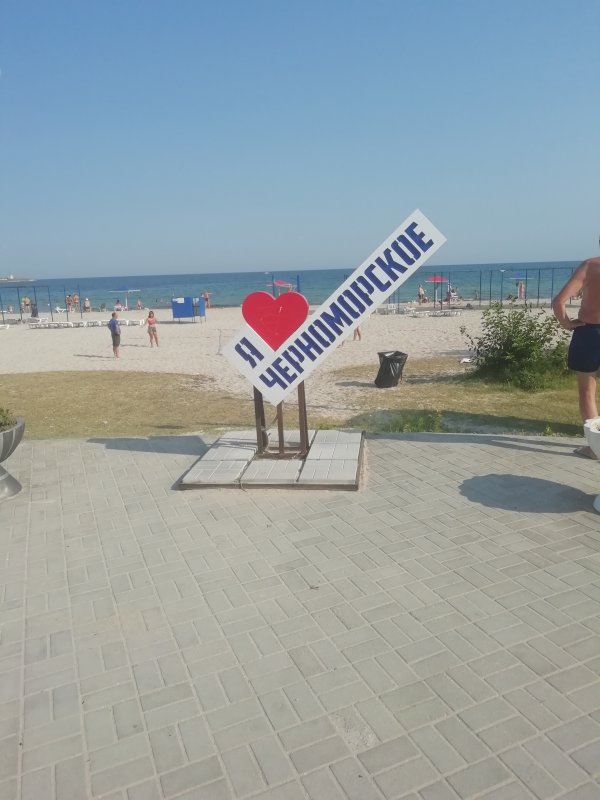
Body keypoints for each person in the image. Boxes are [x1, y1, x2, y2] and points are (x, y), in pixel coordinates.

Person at [552, 255, 600, 457]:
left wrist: (567, 324)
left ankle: (596, 448)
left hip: (590, 333)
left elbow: (558, 302)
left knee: (587, 391)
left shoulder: (591, 266)